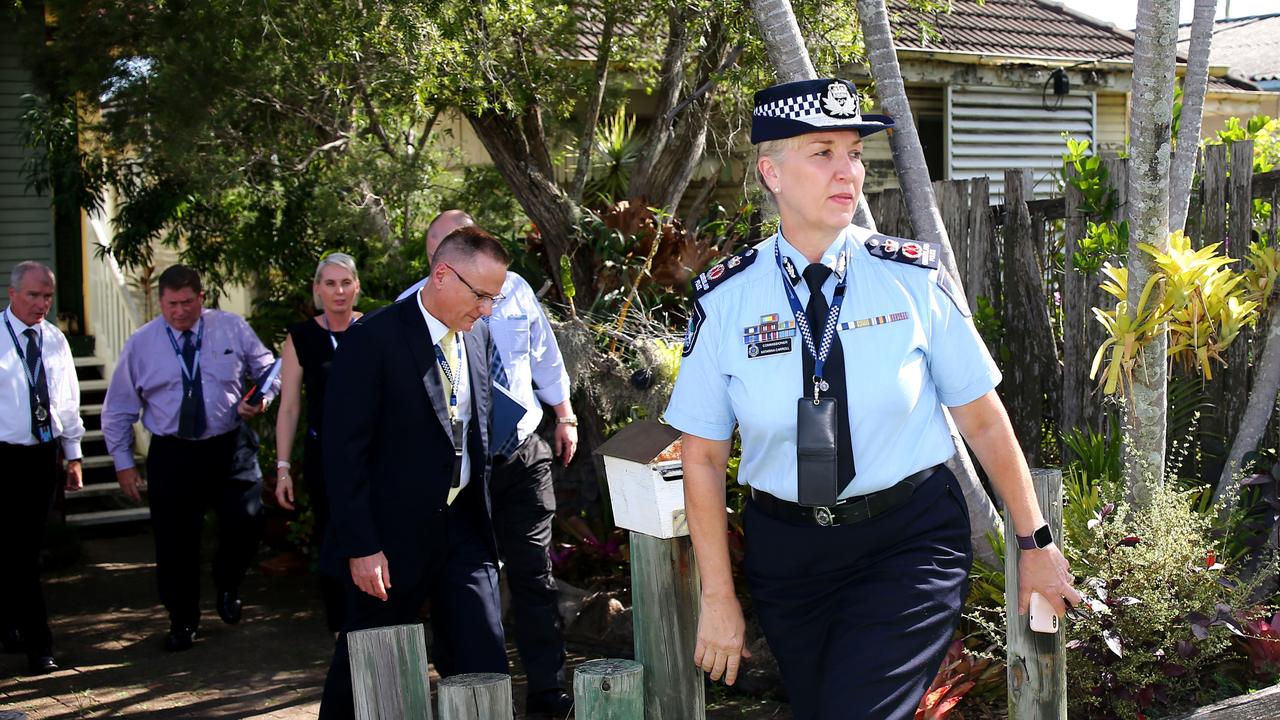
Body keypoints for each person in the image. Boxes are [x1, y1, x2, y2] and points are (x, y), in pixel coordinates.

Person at [663, 78, 1082, 719]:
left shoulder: (909, 276)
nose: (847, 172)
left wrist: (1037, 542)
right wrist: (718, 597)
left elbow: (983, 418)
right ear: (771, 172)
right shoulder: (726, 300)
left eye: (854, 154)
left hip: (906, 540)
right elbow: (701, 457)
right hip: (789, 553)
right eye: (823, 152)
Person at [318, 226, 510, 719]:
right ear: (443, 275)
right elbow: (343, 455)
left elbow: (478, 435)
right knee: (365, 673)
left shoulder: (479, 334)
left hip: (463, 530)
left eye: (495, 298)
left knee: (484, 664)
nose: (488, 309)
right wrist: (361, 546)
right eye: (482, 296)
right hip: (389, 540)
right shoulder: (373, 340)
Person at [398, 210, 578, 714]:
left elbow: (544, 354)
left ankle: (548, 689)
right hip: (459, 470)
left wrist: (565, 415)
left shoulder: (515, 289)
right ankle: (467, 687)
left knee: (532, 572)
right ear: (438, 262)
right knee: (460, 577)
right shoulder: (409, 312)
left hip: (521, 452)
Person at [102, 264, 277, 652]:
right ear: (160, 303)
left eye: (186, 303)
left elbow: (267, 367)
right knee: (175, 542)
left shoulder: (230, 327)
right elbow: (118, 409)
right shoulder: (141, 343)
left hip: (229, 443)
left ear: (201, 298)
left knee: (247, 520)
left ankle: (228, 580)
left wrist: (262, 396)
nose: (179, 312)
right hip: (174, 451)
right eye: (170, 304)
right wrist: (124, 463)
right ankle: (183, 620)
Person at [0, 261, 84, 675]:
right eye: (34, 295)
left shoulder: (54, 340)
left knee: (27, 551)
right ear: (13, 294)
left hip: (40, 455)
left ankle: (27, 635)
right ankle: (28, 636)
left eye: (48, 296)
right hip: (3, 453)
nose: (42, 304)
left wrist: (73, 453)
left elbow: (67, 400)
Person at [274, 252, 363, 634]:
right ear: (317, 290)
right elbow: (290, 406)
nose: (338, 291)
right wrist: (281, 469)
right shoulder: (301, 337)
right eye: (330, 283)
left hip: (370, 455)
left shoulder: (373, 328)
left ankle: (373, 617)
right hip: (323, 458)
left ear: (357, 288)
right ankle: (341, 626)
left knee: (373, 534)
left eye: (345, 283)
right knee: (333, 536)